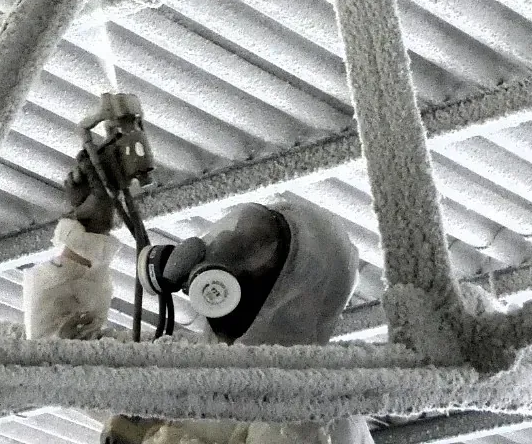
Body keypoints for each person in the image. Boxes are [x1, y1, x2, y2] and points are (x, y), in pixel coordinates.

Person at [23, 173, 372, 444]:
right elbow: (56, 355)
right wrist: (88, 232)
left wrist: (150, 435)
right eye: (232, 242)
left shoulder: (315, 405)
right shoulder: (189, 363)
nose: (219, 258)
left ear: (297, 297)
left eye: (252, 253)